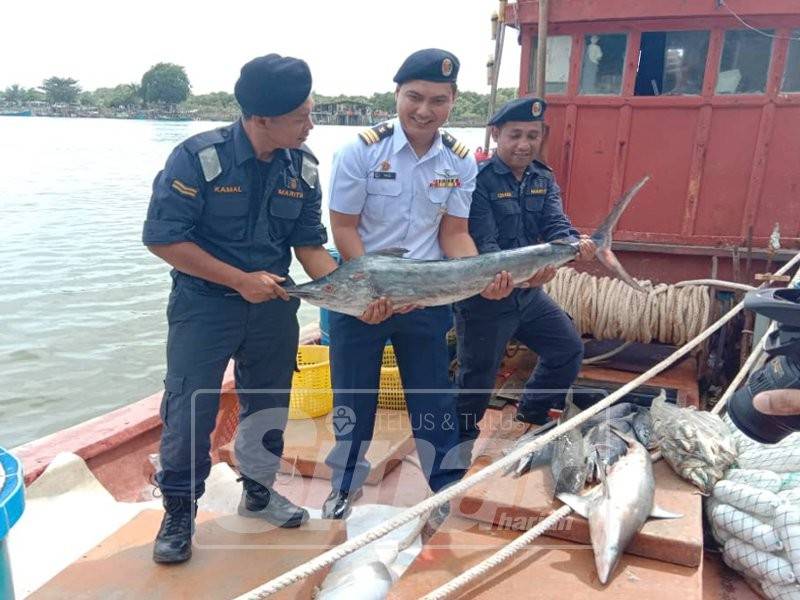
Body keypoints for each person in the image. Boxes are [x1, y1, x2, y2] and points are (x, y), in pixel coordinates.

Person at [142, 54, 338, 563]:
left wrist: (351, 291)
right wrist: (237, 280)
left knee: (269, 402)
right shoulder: (198, 158)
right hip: (204, 306)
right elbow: (162, 238)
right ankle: (179, 510)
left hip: (274, 307)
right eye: (301, 116)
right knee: (190, 408)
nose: (310, 125)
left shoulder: (304, 166)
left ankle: (258, 489)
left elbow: (310, 245)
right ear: (262, 118)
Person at [322, 48, 512, 519]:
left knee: (432, 398)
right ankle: (344, 485)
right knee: (353, 398)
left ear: (453, 101)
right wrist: (377, 287)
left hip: (426, 299)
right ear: (397, 94)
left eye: (438, 100)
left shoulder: (460, 162)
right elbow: (343, 227)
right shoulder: (360, 151)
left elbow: (455, 234)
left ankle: (444, 487)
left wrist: (483, 276)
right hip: (365, 298)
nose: (424, 110)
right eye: (414, 97)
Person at [454, 96, 596, 461]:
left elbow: (557, 227)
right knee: (476, 381)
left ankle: (529, 419)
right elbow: (485, 245)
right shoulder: (479, 180)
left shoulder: (543, 178)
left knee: (567, 348)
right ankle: (456, 452)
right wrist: (524, 276)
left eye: (532, 136)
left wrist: (576, 244)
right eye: (515, 135)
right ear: (496, 134)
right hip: (485, 297)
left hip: (528, 295)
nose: (524, 144)